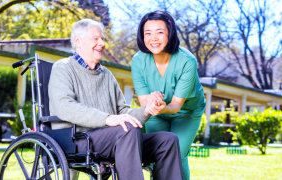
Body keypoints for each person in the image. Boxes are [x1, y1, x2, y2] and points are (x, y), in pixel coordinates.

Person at [48, 19, 183, 180]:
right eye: (96, 39)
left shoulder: (106, 75)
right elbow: (64, 106)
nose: (102, 44)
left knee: (167, 140)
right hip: (77, 139)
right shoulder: (63, 67)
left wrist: (147, 109)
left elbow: (124, 113)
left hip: (113, 138)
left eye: (102, 39)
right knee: (126, 130)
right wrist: (108, 119)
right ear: (78, 40)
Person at [131, 10, 206, 180]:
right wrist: (153, 102)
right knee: (160, 154)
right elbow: (144, 101)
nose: (153, 38)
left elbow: (175, 105)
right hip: (157, 112)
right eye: (147, 33)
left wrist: (160, 106)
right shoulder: (138, 61)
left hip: (187, 112)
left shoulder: (187, 61)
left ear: (170, 33)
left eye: (160, 32)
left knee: (177, 154)